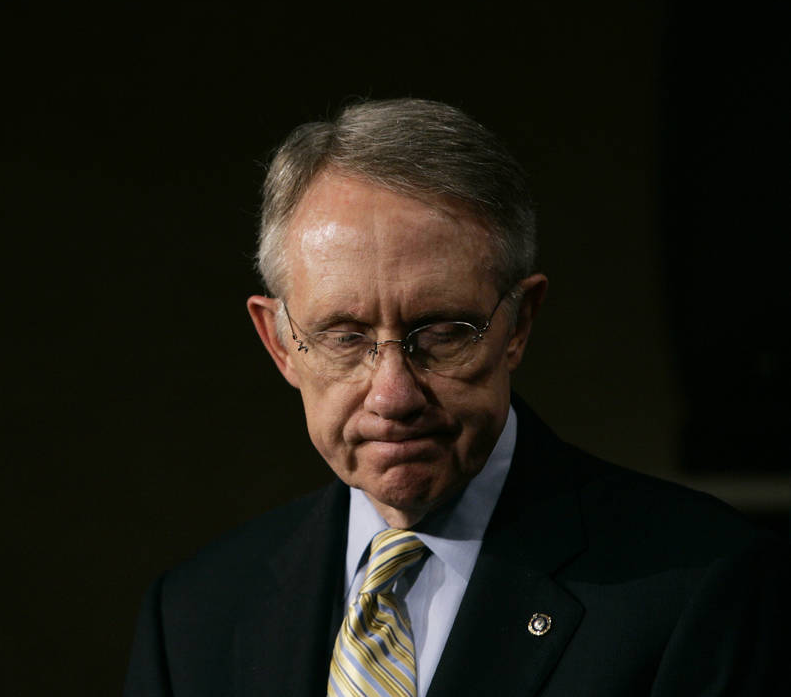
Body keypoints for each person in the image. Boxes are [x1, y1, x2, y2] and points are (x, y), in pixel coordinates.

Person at [123, 99, 789, 696]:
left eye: (441, 333)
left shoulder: (696, 588)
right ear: (278, 342)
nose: (392, 393)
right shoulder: (193, 618)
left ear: (518, 323)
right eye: (345, 337)